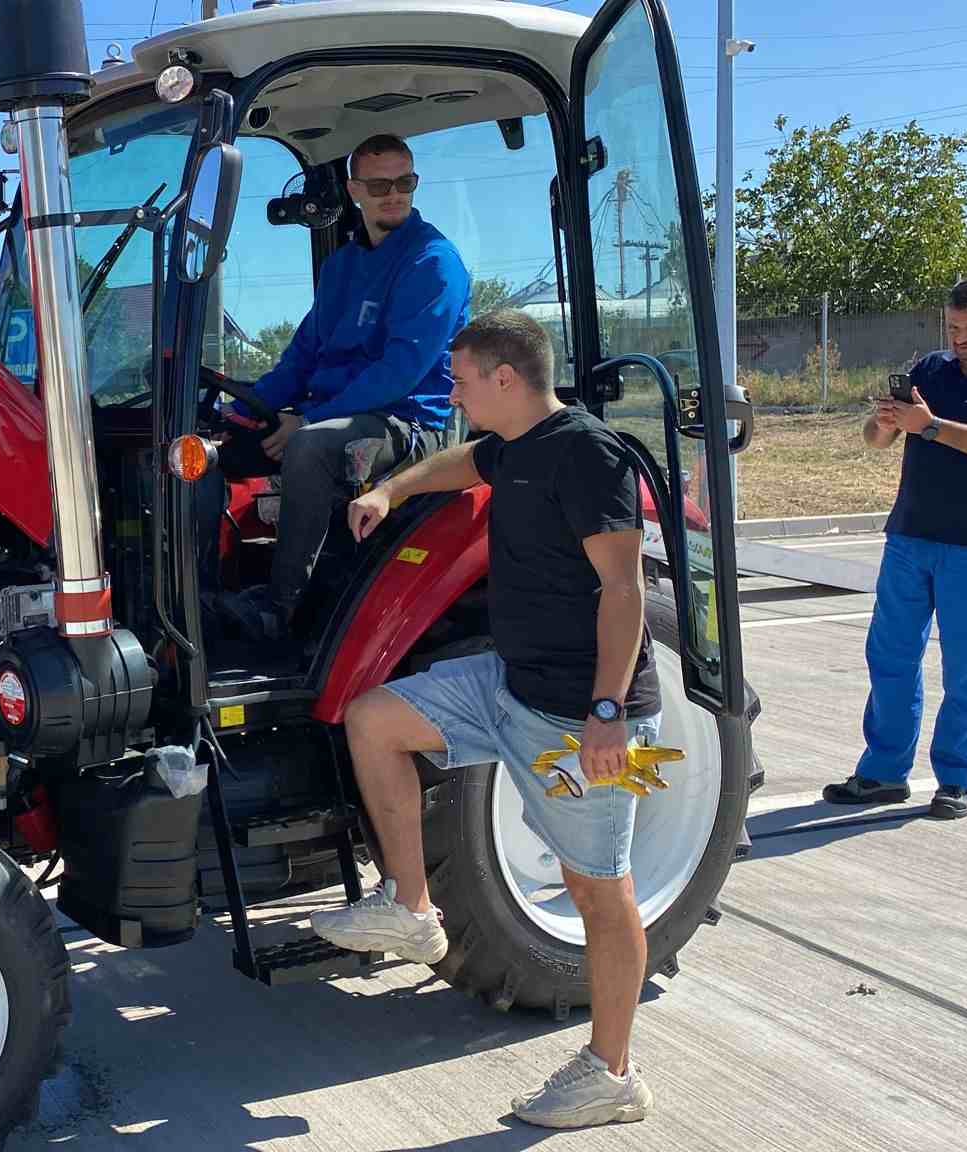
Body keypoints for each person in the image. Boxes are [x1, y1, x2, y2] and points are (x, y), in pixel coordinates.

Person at [310, 311, 662, 1129]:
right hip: (506, 686)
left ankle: (611, 1075)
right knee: (374, 720)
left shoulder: (588, 454)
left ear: (506, 377)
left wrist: (608, 711)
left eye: (462, 377)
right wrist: (391, 487)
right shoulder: (515, 446)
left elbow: (623, 590)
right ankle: (413, 911)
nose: (453, 389)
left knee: (598, 892)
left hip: (581, 719)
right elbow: (466, 461)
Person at [206, 132, 470, 642]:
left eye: (405, 182)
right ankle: (204, 598)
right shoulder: (342, 267)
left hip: (408, 425)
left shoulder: (432, 263)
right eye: (379, 185)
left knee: (309, 447)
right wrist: (242, 407)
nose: (393, 193)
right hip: (332, 413)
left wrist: (307, 420)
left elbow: (400, 371)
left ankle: (279, 612)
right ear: (353, 190)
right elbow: (303, 357)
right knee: (201, 452)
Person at [825, 277, 967, 820]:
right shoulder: (930, 370)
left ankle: (955, 777)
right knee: (890, 656)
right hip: (910, 537)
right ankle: (884, 772)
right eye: (954, 327)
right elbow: (875, 440)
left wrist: (930, 428)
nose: (962, 339)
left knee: (966, 667)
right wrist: (886, 423)